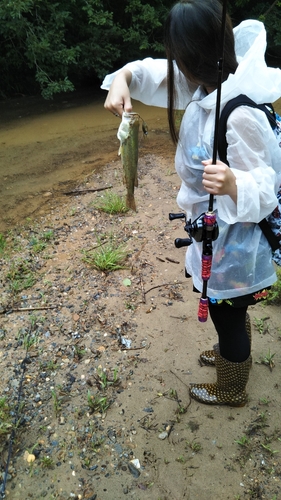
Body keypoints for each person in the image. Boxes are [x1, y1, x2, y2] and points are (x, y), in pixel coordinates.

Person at [101, 0, 281, 407]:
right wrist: (124, 78)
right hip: (212, 233)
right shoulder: (205, 83)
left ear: (189, 58)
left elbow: (267, 186)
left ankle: (232, 384)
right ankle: (229, 349)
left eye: (176, 57)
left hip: (235, 243)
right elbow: (151, 73)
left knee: (227, 311)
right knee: (227, 309)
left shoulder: (238, 112)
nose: (173, 67)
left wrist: (236, 182)